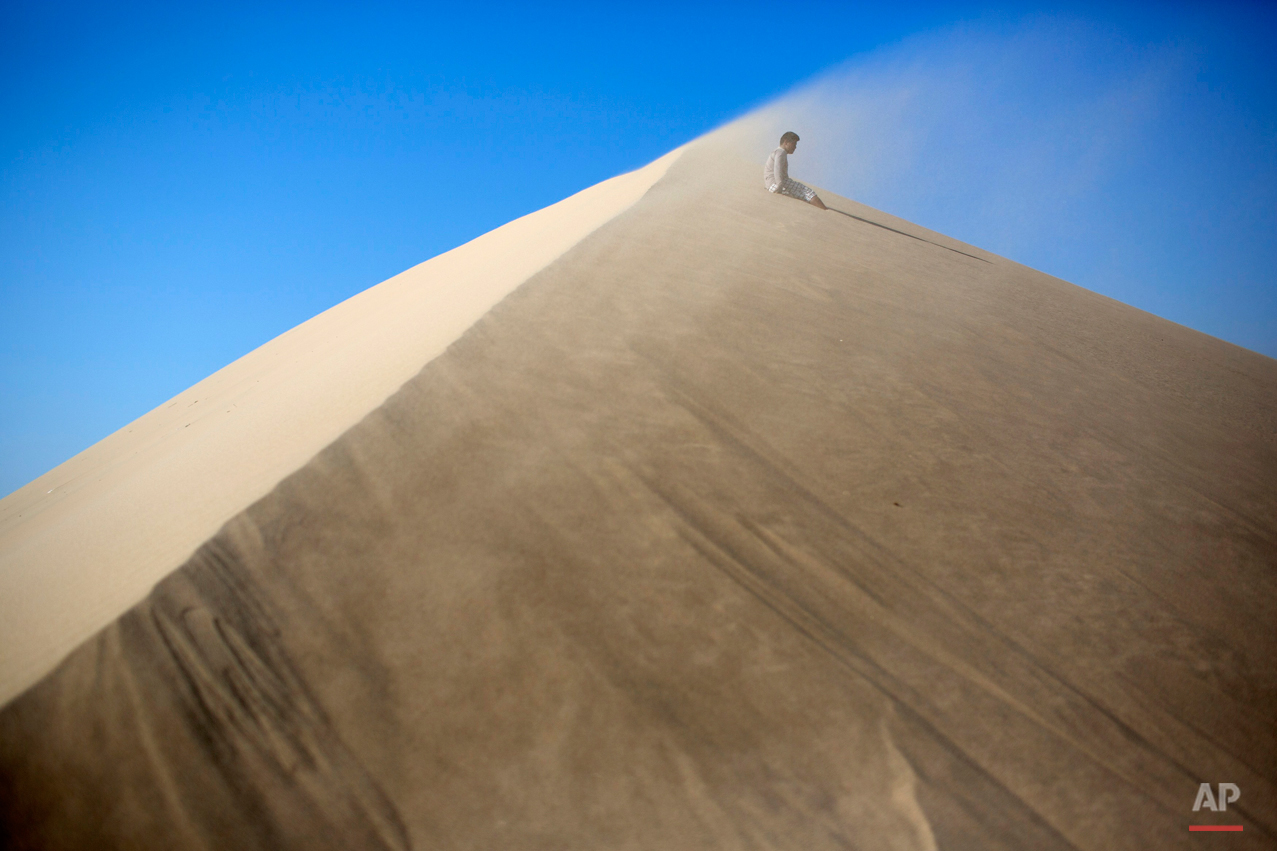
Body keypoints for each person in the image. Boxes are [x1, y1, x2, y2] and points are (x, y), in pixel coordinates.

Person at [764, 132, 827, 210]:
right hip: (777, 184)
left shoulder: (777, 152)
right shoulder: (781, 152)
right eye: (794, 144)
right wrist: (779, 188)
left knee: (800, 194)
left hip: (772, 184)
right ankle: (827, 212)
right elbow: (777, 171)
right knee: (808, 192)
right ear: (786, 142)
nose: (795, 147)